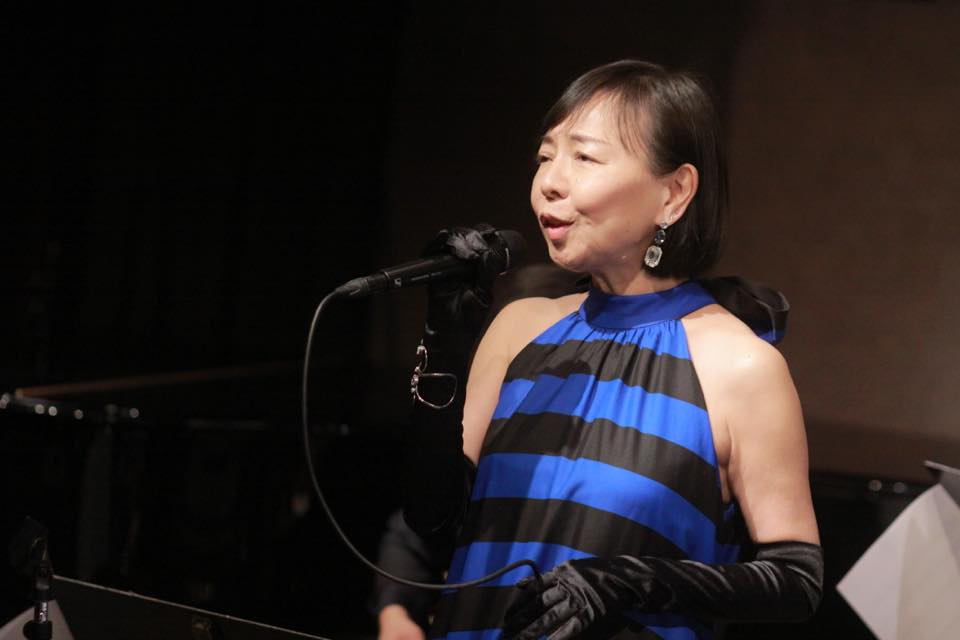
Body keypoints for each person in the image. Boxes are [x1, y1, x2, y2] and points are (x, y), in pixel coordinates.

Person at [402, 60, 822, 640]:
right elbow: (432, 517)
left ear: (674, 193)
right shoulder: (519, 326)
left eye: (585, 157)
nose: (550, 181)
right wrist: (445, 343)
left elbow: (796, 580)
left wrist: (628, 582)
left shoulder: (739, 364)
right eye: (546, 156)